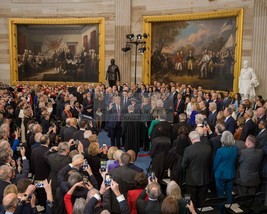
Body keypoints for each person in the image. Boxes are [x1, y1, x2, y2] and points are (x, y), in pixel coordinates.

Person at [213, 131, 238, 203]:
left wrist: (214, 172)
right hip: (231, 174)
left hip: (220, 175)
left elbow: (216, 163)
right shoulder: (235, 149)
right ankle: (229, 208)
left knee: (220, 195)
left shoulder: (220, 150)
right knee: (229, 193)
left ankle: (221, 209)